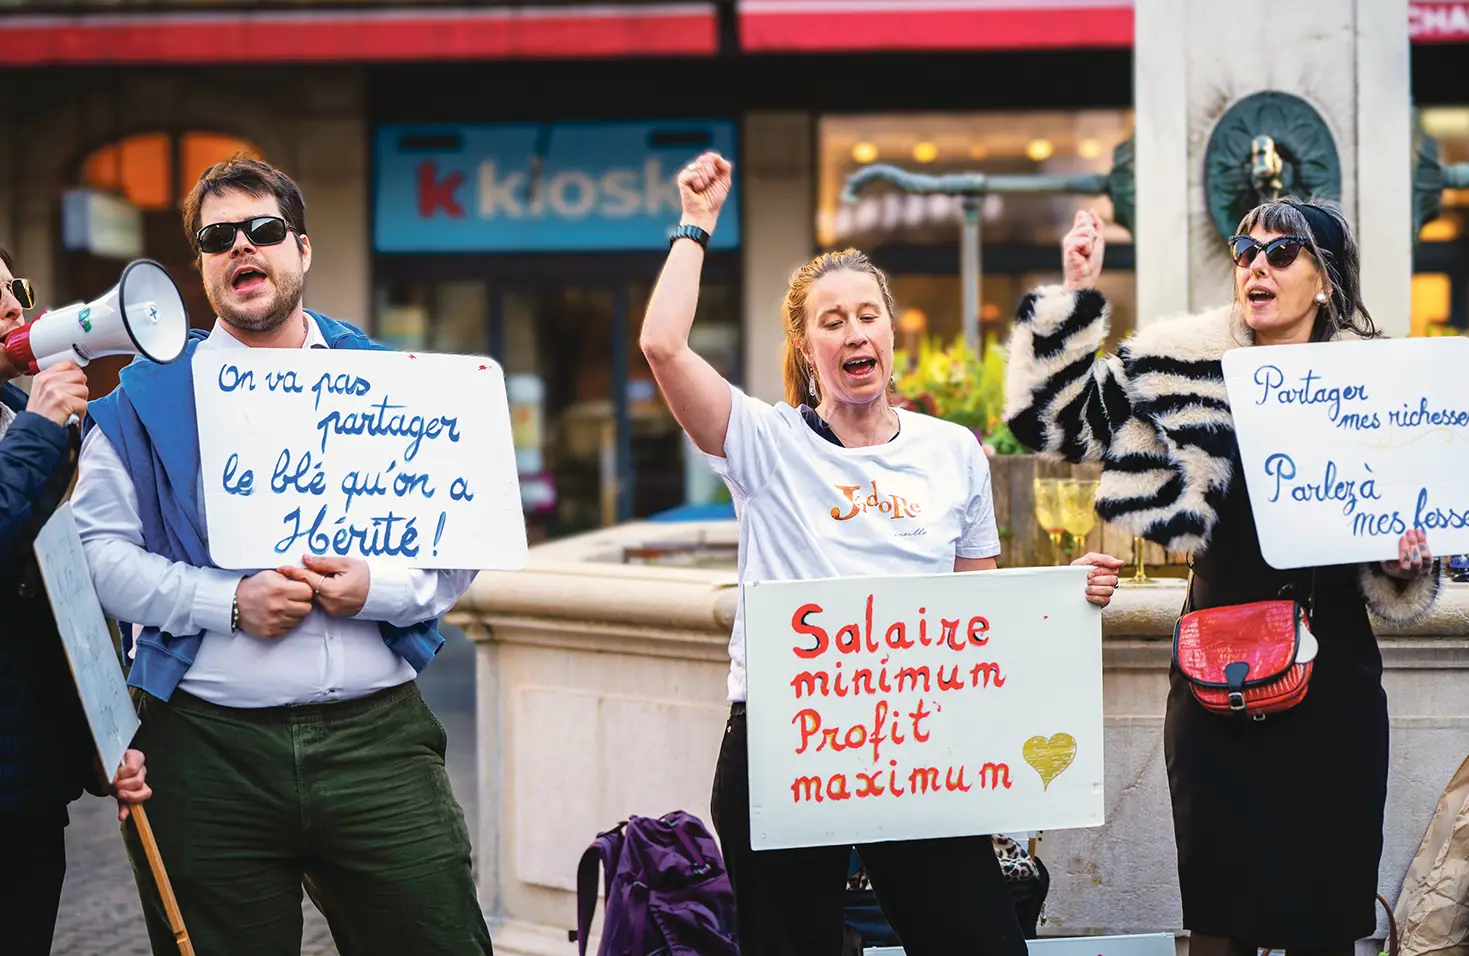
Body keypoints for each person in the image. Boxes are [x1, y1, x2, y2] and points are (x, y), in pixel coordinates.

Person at [640, 151, 1123, 956]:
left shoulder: (952, 452)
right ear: (806, 345)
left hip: (915, 744)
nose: (852, 331)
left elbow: (979, 613)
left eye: (866, 314)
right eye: (830, 321)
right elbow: (662, 344)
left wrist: (1054, 601)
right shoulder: (763, 441)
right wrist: (695, 225)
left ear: (890, 331)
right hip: (783, 743)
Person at [71, 158, 492, 955]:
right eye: (217, 237)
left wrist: (379, 586)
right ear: (199, 266)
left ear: (301, 249)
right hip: (206, 751)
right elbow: (97, 557)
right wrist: (225, 604)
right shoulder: (137, 406)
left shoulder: (397, 384)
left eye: (262, 231)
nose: (242, 249)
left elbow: (462, 543)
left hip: (378, 744)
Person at [1002, 199, 1442, 956]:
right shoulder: (1179, 360)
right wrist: (1072, 292)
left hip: (1331, 690)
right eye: (1245, 250)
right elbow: (1053, 426)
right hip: (1214, 682)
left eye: (1279, 254)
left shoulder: (1374, 385)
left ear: (1325, 280)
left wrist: (1404, 559)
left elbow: (1399, 545)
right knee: (1215, 921)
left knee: (1325, 923)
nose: (1255, 266)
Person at [0, 249, 152, 955]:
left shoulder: (23, 415)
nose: (12, 308)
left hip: (29, 780)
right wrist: (38, 433)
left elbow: (68, 580)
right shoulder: (30, 423)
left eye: (14, 289)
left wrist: (106, 728)